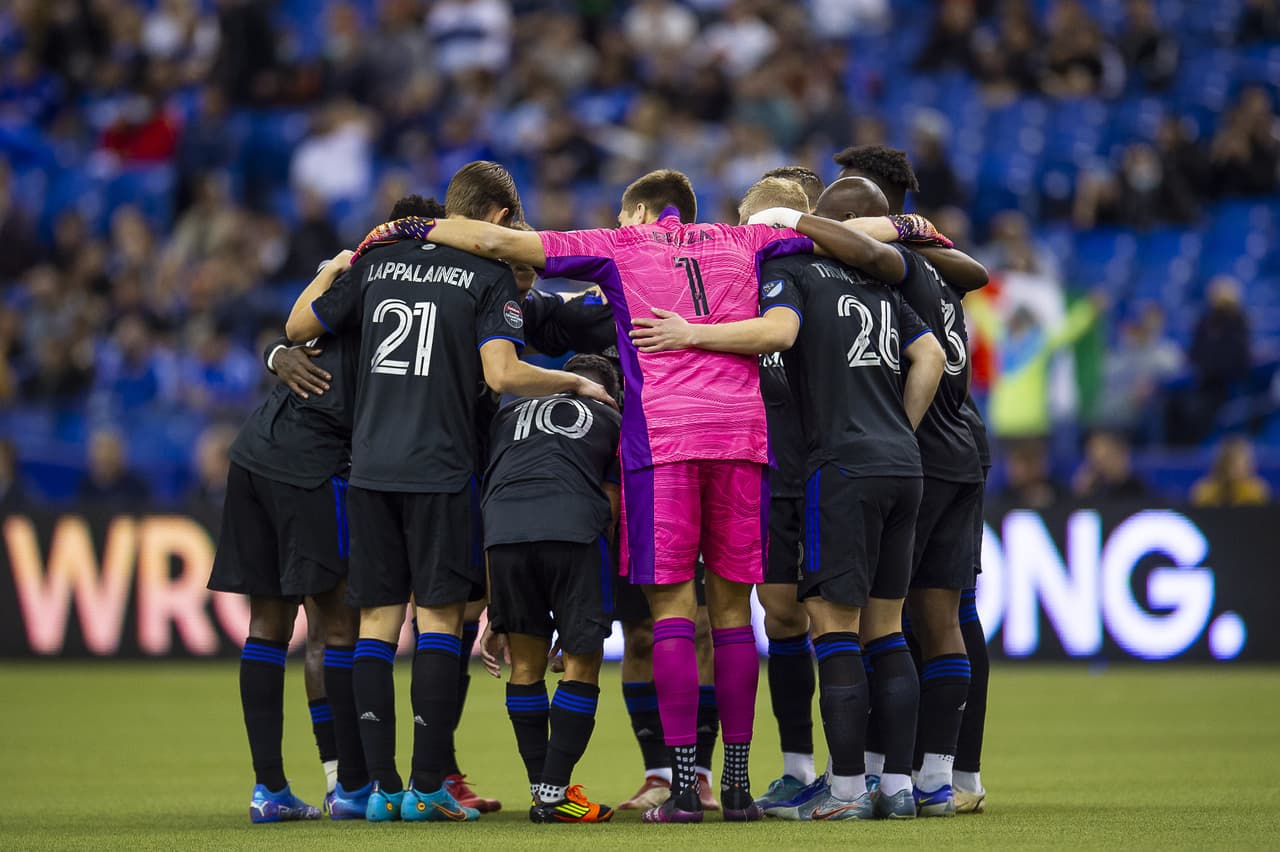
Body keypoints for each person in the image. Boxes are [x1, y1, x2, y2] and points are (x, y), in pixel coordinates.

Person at [413, 166, 934, 823]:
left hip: (663, 441)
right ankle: (736, 786)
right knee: (732, 616)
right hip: (741, 437)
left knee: (672, 617)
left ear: (639, 213)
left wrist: (407, 229)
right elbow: (863, 239)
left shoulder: (619, 244)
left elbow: (500, 242)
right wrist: (911, 225)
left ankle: (684, 788)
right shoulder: (744, 239)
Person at [284, 161, 613, 824]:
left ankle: (382, 790)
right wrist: (575, 383)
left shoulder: (377, 261)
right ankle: (428, 786)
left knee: (376, 625)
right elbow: (502, 373)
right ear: (498, 218)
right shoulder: (488, 276)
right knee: (437, 621)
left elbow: (297, 329)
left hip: (371, 468)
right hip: (440, 466)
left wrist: (332, 268)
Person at [633, 175, 946, 821]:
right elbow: (932, 354)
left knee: (830, 626)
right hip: (823, 471)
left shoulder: (788, 276)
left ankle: (847, 783)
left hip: (825, 471)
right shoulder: (874, 280)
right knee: (812, 622)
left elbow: (777, 334)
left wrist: (689, 334)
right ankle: (853, 776)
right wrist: (898, 430)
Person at [833, 145, 989, 817]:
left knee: (883, 620)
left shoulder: (893, 262)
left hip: (917, 451)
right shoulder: (941, 266)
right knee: (946, 616)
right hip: (963, 451)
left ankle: (877, 773)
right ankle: (942, 777)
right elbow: (976, 271)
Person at [207, 256, 363, 823]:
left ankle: (269, 789)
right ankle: (345, 785)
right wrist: (277, 351)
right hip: (312, 467)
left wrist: (277, 351)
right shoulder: (404, 305)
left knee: (268, 627)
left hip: (253, 455)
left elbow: (291, 329)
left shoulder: (343, 290)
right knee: (334, 626)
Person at [479, 354, 622, 823]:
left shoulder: (507, 416)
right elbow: (611, 503)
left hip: (503, 535)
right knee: (581, 662)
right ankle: (555, 793)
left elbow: (493, 491)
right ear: (606, 391)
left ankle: (543, 791)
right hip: (574, 530)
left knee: (526, 664)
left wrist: (495, 608)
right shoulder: (611, 418)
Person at [1192, 436, 1272, 506]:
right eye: (1230, 462)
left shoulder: (1257, 490)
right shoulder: (1205, 490)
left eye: (1241, 462)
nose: (1235, 469)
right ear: (1221, 463)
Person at [1072, 430, 1150, 501]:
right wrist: (1081, 491)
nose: (1100, 465)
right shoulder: (1094, 488)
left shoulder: (1135, 488)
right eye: (1095, 460)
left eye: (1106, 457)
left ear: (1121, 454)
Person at [78, 429, 151, 505]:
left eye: (110, 449)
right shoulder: (85, 486)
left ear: (121, 453)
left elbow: (146, 510)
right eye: (99, 449)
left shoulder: (136, 486)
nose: (104, 455)